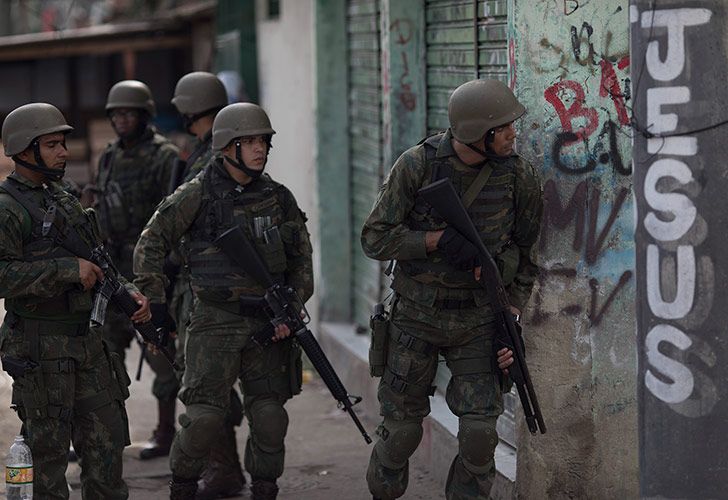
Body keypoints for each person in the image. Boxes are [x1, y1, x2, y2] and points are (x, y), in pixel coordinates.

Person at [361, 79, 543, 500]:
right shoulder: (417, 166)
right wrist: (434, 241)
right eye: (505, 127)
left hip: (478, 319)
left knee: (480, 434)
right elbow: (374, 238)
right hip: (415, 317)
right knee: (401, 433)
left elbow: (526, 252)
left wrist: (510, 312)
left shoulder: (519, 176)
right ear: (480, 133)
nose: (514, 134)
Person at [133, 102, 313, 500]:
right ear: (227, 147)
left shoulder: (278, 198)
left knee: (269, 417)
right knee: (203, 419)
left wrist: (292, 306)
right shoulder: (197, 193)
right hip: (215, 321)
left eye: (262, 141)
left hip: (269, 324)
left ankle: (265, 488)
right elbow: (151, 242)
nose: (259, 149)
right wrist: (156, 302)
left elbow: (302, 262)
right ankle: (181, 487)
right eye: (247, 141)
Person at [0, 103, 151, 498]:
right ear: (24, 150)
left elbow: (97, 257)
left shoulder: (64, 196)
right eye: (52, 145)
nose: (63, 152)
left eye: (62, 144)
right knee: (48, 464)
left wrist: (128, 290)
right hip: (41, 349)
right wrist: (67, 270)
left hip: (89, 345)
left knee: (107, 450)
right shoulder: (7, 208)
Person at [83, 79, 180, 460]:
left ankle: (167, 431)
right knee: (103, 354)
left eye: (129, 113)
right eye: (116, 113)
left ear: (144, 115)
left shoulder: (164, 156)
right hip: (109, 268)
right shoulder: (108, 155)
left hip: (146, 270)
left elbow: (172, 218)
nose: (122, 119)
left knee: (160, 354)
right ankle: (103, 436)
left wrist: (163, 272)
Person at [169, 71, 247, 498]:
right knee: (207, 384)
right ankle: (225, 468)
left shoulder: (208, 158)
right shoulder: (206, 151)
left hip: (205, 289)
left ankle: (224, 472)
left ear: (189, 109)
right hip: (208, 286)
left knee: (204, 386)